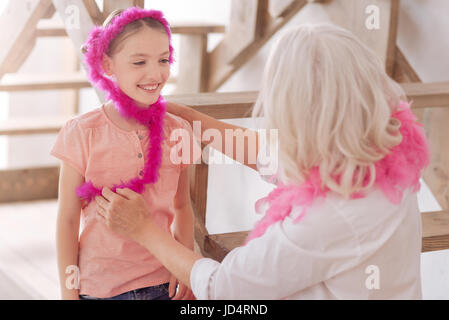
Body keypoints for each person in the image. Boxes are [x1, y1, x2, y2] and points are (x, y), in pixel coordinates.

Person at [95, 24, 430, 299]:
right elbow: (270, 154)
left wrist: (145, 230)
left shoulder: (332, 214)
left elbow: (223, 288)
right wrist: (192, 119)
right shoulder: (375, 150)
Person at [51, 7, 197, 300]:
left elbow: (182, 207)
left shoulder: (180, 131)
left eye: (163, 60)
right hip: (100, 289)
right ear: (108, 65)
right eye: (139, 62)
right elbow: (67, 219)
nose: (155, 73)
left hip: (163, 284)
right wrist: (69, 292)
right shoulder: (82, 132)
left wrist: (186, 268)